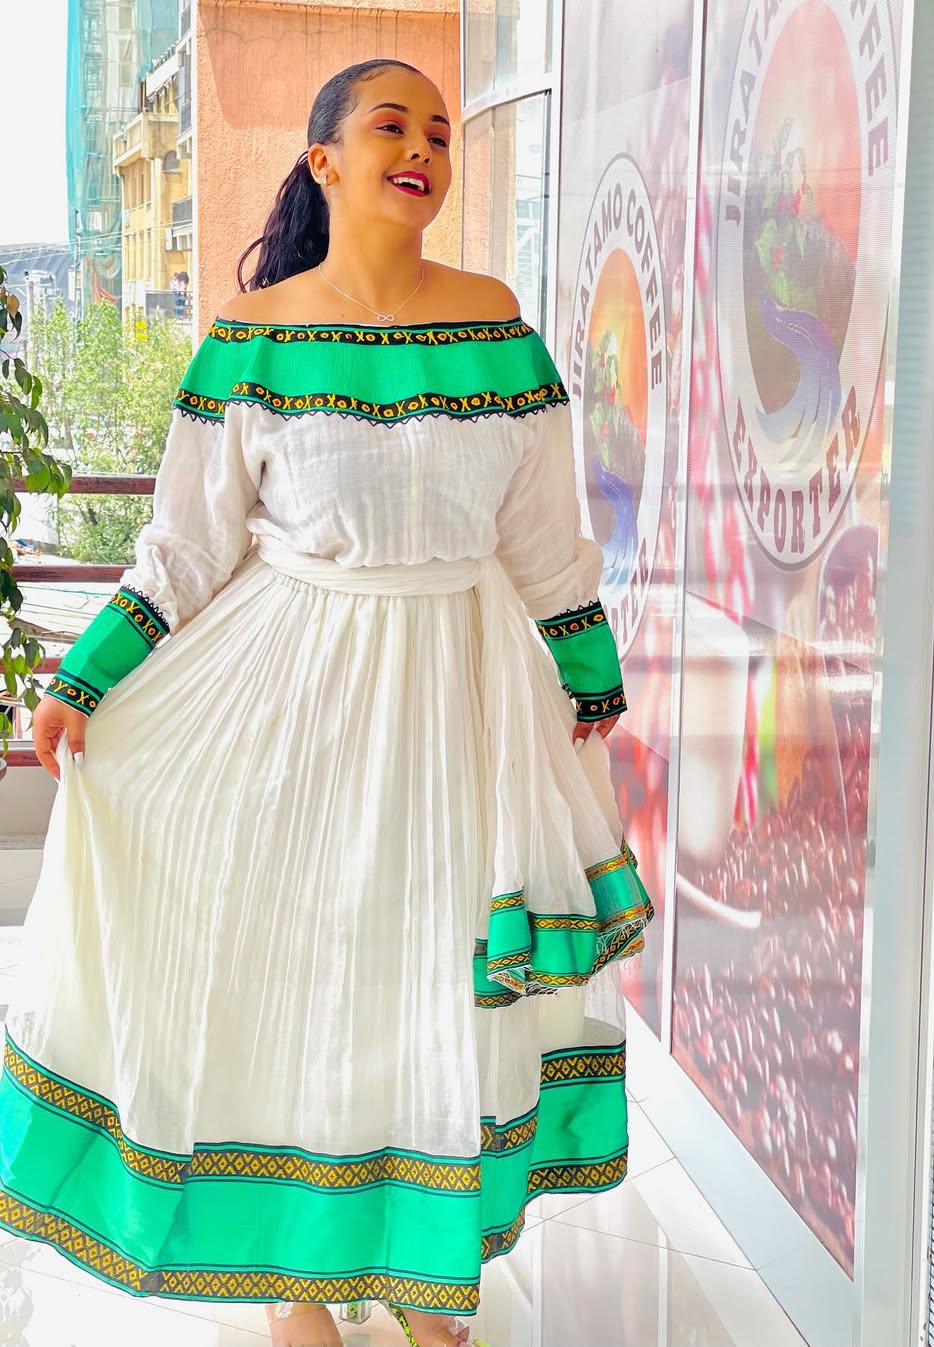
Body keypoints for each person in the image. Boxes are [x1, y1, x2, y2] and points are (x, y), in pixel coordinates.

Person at [8, 60, 652, 1347]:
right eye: (390, 126)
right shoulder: (253, 334)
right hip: (290, 703)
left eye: (438, 133)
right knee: (311, 972)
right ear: (325, 160)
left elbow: (541, 533)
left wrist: (588, 668)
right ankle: (299, 1281)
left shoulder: (495, 323)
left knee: (439, 976)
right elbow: (187, 547)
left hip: (465, 705)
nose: (421, 148)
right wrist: (87, 682)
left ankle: (421, 1264)